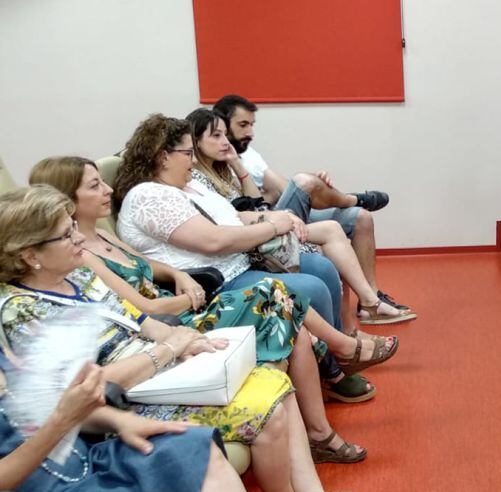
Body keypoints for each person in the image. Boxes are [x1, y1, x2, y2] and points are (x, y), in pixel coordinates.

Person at [0, 186, 379, 492]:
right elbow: (90, 388)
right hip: (128, 398)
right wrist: (169, 351)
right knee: (268, 400)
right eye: (65, 234)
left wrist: (185, 340)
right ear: (31, 254)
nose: (76, 237)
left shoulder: (78, 274)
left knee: (272, 376)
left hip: (160, 366)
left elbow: (139, 319)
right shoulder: (19, 312)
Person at [30, 156, 392, 408]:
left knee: (285, 292)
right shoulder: (86, 254)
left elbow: (149, 266)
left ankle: (338, 362)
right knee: (280, 292)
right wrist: (189, 297)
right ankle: (343, 352)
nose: (108, 190)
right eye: (96, 186)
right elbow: (146, 308)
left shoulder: (104, 239)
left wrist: (178, 275)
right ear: (67, 197)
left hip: (179, 306)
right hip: (168, 323)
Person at [111, 115, 398, 397]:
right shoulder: (149, 196)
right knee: (311, 288)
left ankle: (335, 363)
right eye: (188, 153)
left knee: (323, 269)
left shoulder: (188, 185)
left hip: (241, 262)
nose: (194, 161)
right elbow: (213, 241)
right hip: (218, 281)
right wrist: (273, 226)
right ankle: (334, 366)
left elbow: (233, 215)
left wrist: (276, 215)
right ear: (163, 157)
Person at [0, 355, 291, 492]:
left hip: (90, 461)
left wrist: (119, 421)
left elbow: (57, 409)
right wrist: (62, 421)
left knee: (190, 445)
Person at [184, 108, 415, 324]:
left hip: (268, 216)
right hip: (258, 232)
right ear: (195, 141)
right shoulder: (196, 178)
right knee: (305, 184)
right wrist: (283, 215)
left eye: (226, 134)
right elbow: (240, 215)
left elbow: (259, 201)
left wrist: (237, 164)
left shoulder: (225, 166)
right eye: (216, 136)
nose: (226, 141)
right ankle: (349, 198)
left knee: (361, 217)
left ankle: (371, 300)